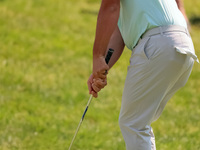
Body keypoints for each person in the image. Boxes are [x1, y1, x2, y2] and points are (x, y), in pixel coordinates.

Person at [87, 0, 199, 149]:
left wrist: (98, 56)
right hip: (182, 45)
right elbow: (119, 34)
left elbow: (110, 6)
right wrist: (100, 71)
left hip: (158, 43)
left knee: (133, 124)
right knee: (139, 123)